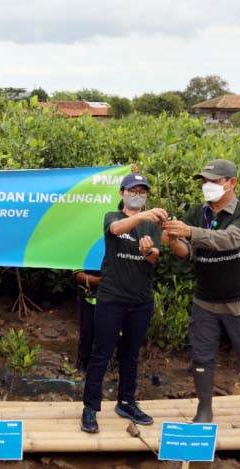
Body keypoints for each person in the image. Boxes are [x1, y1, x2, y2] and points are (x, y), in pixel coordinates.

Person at [162, 159, 240, 438]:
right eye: (204, 181)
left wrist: (189, 232)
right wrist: (174, 241)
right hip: (205, 300)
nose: (207, 186)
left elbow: (230, 240)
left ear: (232, 183)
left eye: (213, 181)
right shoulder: (195, 212)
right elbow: (188, 254)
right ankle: (205, 409)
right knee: (202, 356)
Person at [81, 173, 167, 434]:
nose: (138, 195)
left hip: (141, 300)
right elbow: (117, 230)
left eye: (143, 191)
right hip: (111, 298)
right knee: (101, 353)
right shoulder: (113, 217)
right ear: (122, 193)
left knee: (131, 354)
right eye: (133, 190)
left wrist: (147, 251)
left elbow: (155, 257)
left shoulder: (153, 225)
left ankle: (126, 402)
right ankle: (90, 409)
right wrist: (141, 215)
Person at [73, 270, 100, 372]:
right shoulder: (82, 254)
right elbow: (79, 275)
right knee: (87, 332)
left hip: (110, 299)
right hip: (87, 297)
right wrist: (102, 280)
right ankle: (82, 366)